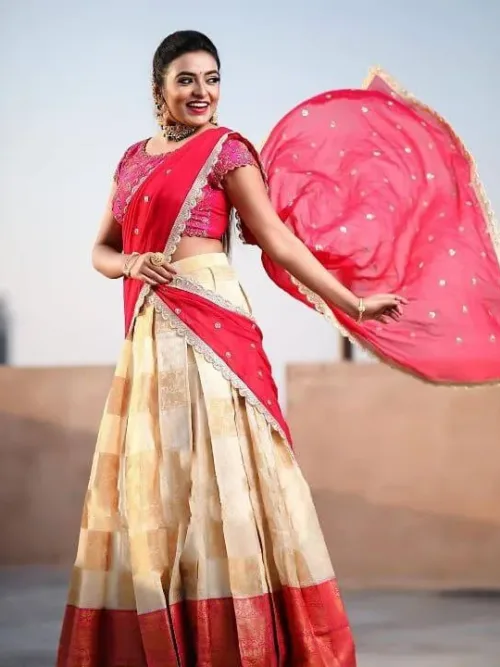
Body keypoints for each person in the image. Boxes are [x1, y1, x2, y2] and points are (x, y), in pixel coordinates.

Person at [56, 29, 500, 667]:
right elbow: (99, 250)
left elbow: (276, 239)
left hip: (213, 319)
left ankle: (242, 638)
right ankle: (168, 627)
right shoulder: (131, 160)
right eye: (186, 79)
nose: (202, 91)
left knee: (224, 471)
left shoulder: (227, 151)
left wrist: (350, 301)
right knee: (160, 475)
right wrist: (131, 262)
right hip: (153, 327)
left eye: (212, 78)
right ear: (160, 89)